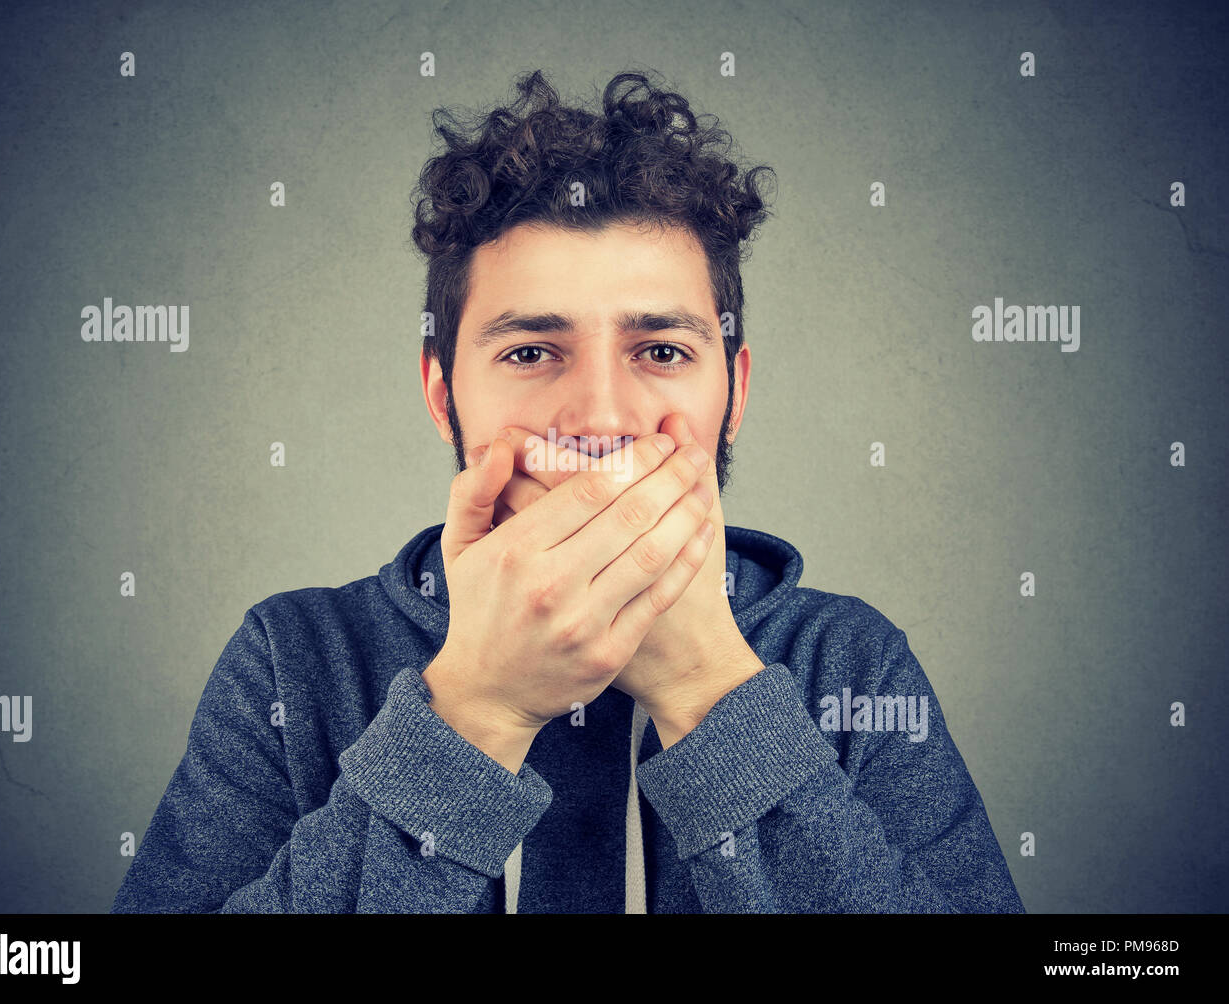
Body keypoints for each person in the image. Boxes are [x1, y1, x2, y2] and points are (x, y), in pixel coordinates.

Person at [111, 69, 1024, 913]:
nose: (598, 418)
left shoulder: (848, 664)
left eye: (661, 351)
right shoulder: (295, 659)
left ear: (735, 391)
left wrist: (711, 693)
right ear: (442, 395)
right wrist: (475, 712)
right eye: (531, 352)